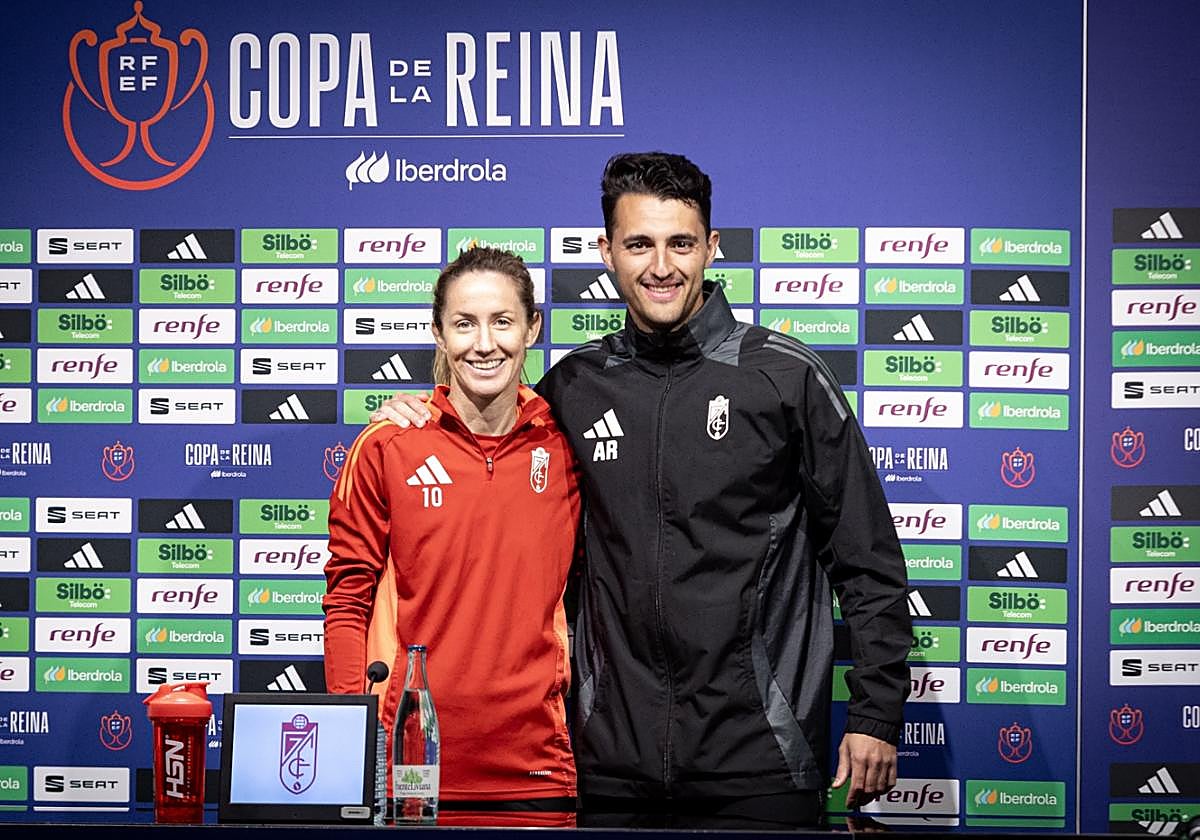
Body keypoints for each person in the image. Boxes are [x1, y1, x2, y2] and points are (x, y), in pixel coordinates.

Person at [374, 152, 911, 828]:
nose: (661, 266)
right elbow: (487, 452)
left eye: (681, 243)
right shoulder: (573, 387)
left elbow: (868, 560)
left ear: (711, 248)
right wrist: (422, 415)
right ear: (607, 253)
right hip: (610, 769)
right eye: (639, 245)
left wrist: (875, 714)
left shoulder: (785, 378)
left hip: (760, 764)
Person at [323, 247, 580, 821]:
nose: (484, 343)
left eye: (502, 321)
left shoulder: (568, 447)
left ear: (533, 328)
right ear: (438, 334)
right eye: (464, 324)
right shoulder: (388, 445)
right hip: (407, 769)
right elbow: (347, 599)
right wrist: (350, 740)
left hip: (536, 769)